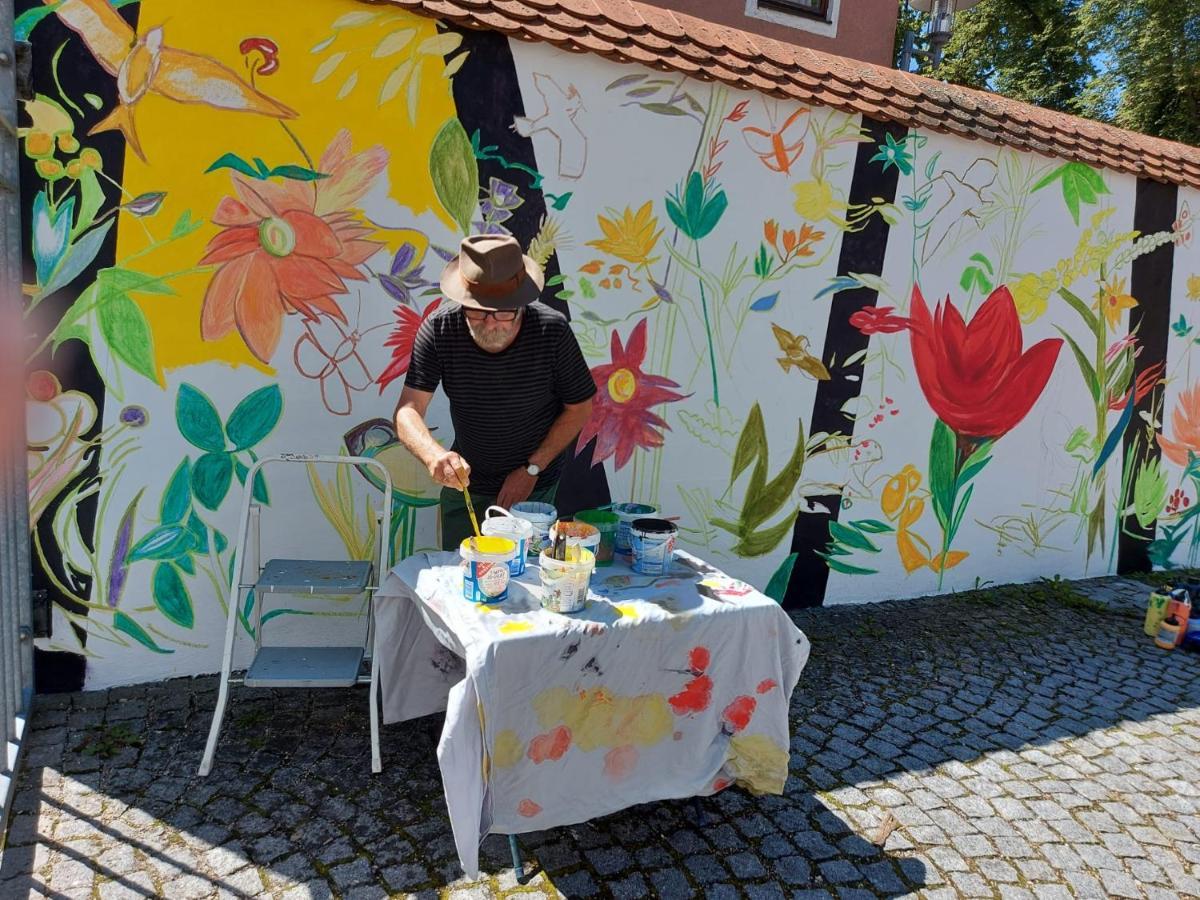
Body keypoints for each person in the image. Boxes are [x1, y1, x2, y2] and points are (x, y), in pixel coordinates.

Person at [393, 233, 597, 550]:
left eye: (503, 312)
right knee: (462, 577)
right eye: (477, 311)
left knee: (528, 583)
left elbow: (580, 407)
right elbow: (408, 410)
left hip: (535, 486)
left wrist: (532, 468)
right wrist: (434, 456)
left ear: (520, 303)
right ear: (462, 300)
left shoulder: (551, 331)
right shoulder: (440, 328)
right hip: (466, 484)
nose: (490, 323)